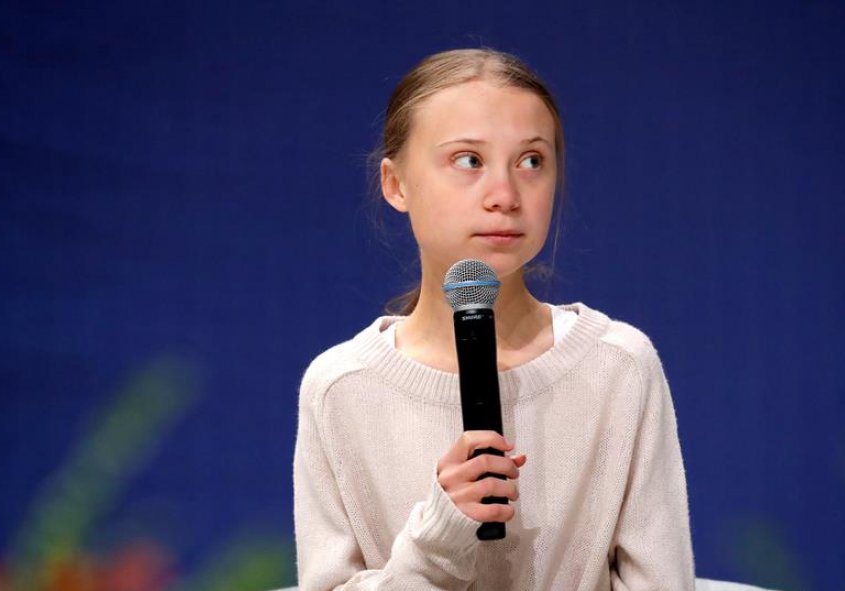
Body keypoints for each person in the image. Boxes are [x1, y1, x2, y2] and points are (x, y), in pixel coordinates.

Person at [294, 48, 695, 590]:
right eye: (469, 161)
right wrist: (438, 537)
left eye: (532, 162)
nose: (505, 197)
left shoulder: (619, 366)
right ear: (396, 184)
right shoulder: (340, 387)